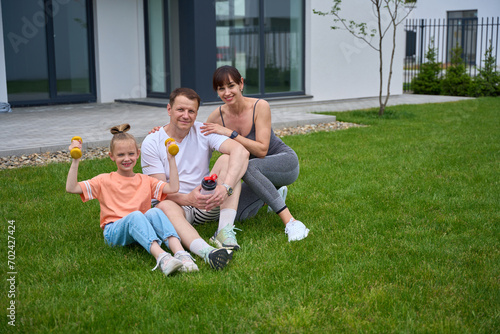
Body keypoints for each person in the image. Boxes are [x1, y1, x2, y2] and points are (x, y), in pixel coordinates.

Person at [65, 123, 198, 276]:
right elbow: (72, 188)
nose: (126, 159)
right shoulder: (104, 180)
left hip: (140, 226)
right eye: (121, 155)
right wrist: (75, 160)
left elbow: (173, 188)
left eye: (130, 154)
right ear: (111, 156)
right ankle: (162, 257)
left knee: (155, 212)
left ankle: (181, 254)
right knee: (136, 215)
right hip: (114, 231)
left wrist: (171, 159)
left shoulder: (145, 180)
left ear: (138, 154)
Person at [141, 87, 249, 270]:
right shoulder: (152, 142)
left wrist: (225, 188)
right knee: (163, 205)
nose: (186, 115)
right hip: (175, 206)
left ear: (197, 113)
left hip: (206, 200)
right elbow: (158, 190)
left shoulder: (202, 130)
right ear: (169, 110)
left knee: (230, 161)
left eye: (191, 111)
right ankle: (207, 252)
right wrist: (187, 199)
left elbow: (241, 151)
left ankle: (223, 231)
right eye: (180, 110)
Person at [201, 65, 309, 242]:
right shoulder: (217, 117)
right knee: (238, 215)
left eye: (231, 85)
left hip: (283, 163)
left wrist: (230, 133)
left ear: (241, 84)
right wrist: (162, 133)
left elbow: (261, 150)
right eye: (221, 88)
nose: (227, 92)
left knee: (249, 167)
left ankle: (291, 222)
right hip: (255, 172)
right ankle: (274, 191)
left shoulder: (260, 106)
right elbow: (197, 139)